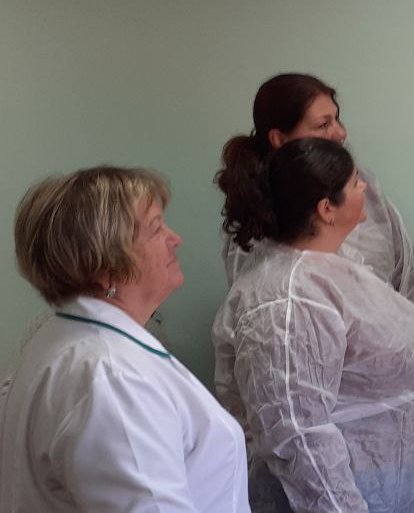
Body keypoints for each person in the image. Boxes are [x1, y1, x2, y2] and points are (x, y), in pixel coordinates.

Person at [212, 138, 414, 513]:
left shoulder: (328, 272)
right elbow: (297, 435)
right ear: (327, 208)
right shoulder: (287, 299)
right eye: (355, 182)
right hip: (349, 495)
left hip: (386, 481)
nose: (365, 187)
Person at [0, 167, 249, 512]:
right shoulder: (113, 378)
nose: (175, 238)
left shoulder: (71, 339)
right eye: (156, 228)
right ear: (104, 264)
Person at [216, 73, 414, 401]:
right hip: (318, 393)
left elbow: (406, 272)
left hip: (387, 385)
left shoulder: (361, 188)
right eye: (323, 124)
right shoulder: (259, 223)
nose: (340, 132)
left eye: (337, 119)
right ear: (279, 138)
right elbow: (276, 346)